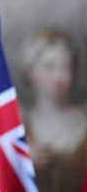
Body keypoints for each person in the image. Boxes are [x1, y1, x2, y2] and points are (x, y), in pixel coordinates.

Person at [22, 29, 87, 191]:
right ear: (30, 73)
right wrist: (20, 161)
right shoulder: (20, 128)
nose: (59, 77)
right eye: (49, 67)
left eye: (66, 67)